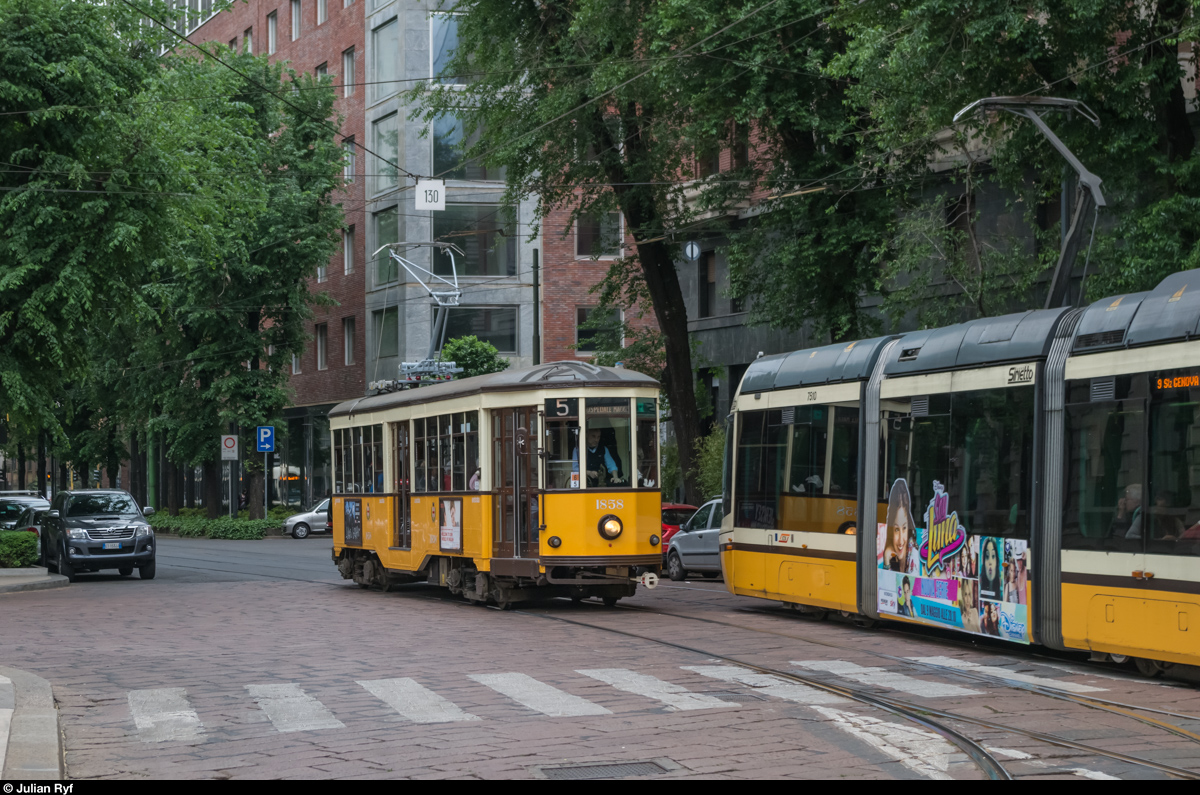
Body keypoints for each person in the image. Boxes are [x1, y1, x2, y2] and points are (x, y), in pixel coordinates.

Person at [880, 479, 919, 574]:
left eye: (904, 528)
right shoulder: (886, 555)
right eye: (896, 529)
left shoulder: (913, 555)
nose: (901, 540)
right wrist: (886, 561)